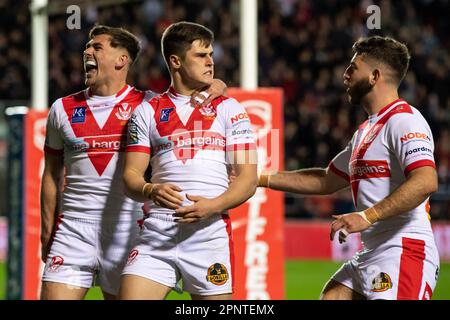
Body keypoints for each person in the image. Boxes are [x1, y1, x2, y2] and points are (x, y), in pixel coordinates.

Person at [40, 25, 226, 300]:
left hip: (128, 229)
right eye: (88, 46)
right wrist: (47, 231)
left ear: (121, 60)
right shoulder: (62, 109)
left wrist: (217, 85)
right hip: (73, 231)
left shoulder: (148, 104)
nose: (87, 51)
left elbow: (187, 93)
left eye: (97, 47)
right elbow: (51, 174)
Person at [258, 36, 440, 300]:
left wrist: (366, 216)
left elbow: (426, 181)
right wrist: (260, 178)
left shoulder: (404, 121)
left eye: (353, 68)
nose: (345, 75)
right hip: (372, 252)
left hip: (404, 250)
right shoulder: (366, 131)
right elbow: (325, 180)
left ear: (375, 76)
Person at [119, 21, 257, 300]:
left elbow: (248, 178)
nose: (210, 62)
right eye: (201, 55)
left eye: (211, 54)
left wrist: (212, 206)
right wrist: (150, 189)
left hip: (208, 232)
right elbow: (131, 177)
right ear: (176, 61)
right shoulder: (147, 111)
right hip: (158, 229)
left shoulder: (230, 109)